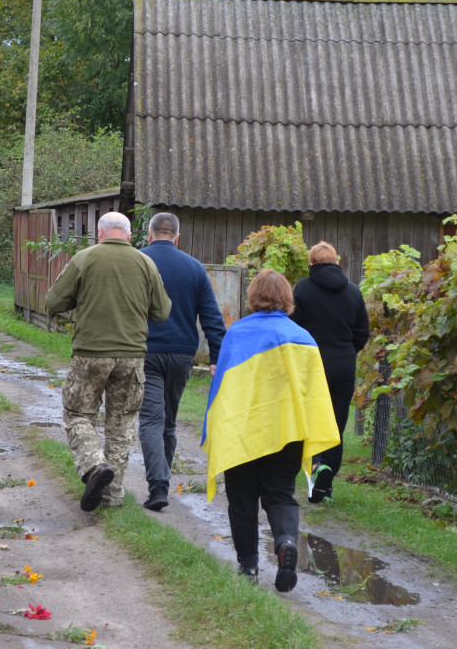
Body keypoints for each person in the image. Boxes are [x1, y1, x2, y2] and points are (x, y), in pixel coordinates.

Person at [203, 270, 339, 591]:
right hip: (288, 433)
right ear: (287, 299)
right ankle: (286, 543)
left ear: (252, 297)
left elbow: (222, 387)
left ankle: (248, 568)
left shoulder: (237, 334)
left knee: (242, 498)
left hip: (243, 432)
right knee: (280, 494)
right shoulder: (304, 338)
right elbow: (314, 394)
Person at [46, 211, 172, 511]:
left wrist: (79, 304)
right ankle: (111, 497)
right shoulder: (146, 263)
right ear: (129, 235)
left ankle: (94, 465)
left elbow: (53, 302)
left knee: (78, 415)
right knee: (121, 425)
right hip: (131, 358)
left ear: (100, 233)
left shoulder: (84, 258)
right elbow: (162, 312)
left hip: (90, 354)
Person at [138, 212, 225, 511]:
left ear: (149, 234)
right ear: (177, 236)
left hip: (146, 351)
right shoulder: (195, 268)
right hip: (182, 354)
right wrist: (217, 357)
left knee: (150, 418)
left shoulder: (139, 261)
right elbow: (212, 318)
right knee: (169, 422)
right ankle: (163, 480)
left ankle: (158, 484)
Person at [290, 242, 370, 504]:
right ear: (337, 262)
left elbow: (292, 327)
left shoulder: (302, 289)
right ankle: (326, 483)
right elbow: (362, 334)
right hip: (343, 366)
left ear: (311, 264)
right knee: (335, 423)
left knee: (309, 420)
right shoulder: (353, 292)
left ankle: (315, 467)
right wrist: (347, 352)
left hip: (311, 365)